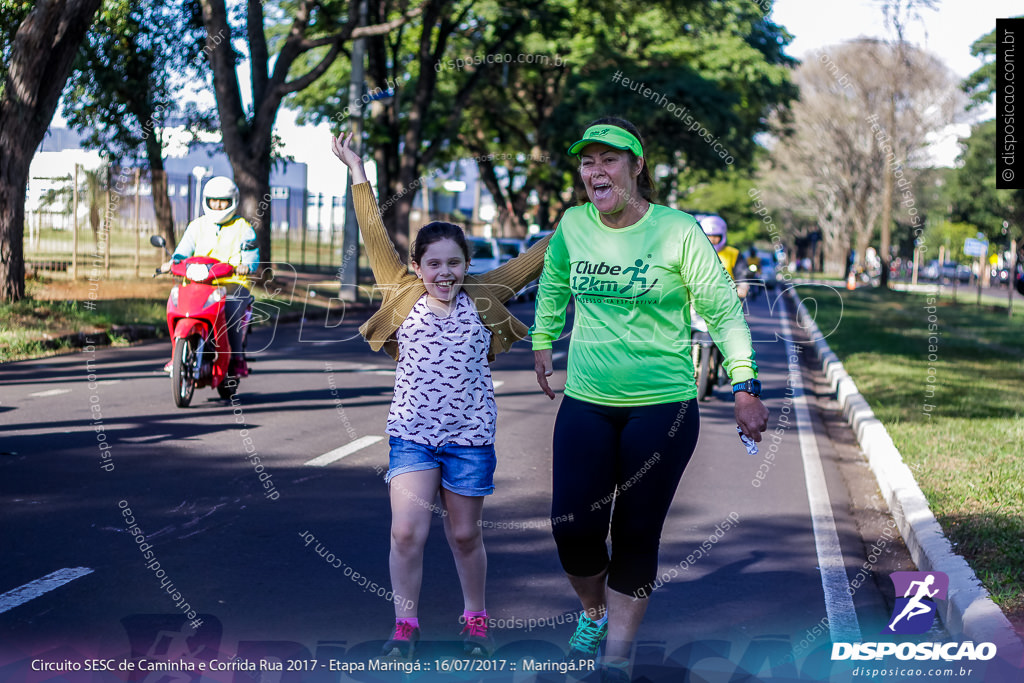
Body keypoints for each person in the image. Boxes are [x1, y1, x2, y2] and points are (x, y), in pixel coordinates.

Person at [531, 117, 769, 682]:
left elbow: (723, 311)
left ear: (637, 166)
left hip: (663, 406)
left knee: (636, 531)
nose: (596, 171)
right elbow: (554, 283)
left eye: (609, 159)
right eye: (588, 162)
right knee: (572, 525)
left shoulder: (677, 231)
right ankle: (593, 613)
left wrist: (745, 385)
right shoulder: (572, 224)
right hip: (588, 399)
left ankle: (617, 657)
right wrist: (542, 338)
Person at [331, 133, 550, 660]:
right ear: (418, 266)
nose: (445, 273)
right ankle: (406, 625)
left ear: (466, 265)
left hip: (470, 438)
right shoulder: (400, 291)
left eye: (454, 263)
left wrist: (579, 218)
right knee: (405, 534)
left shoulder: (486, 293)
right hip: (413, 436)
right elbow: (372, 233)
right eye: (434, 264)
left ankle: (475, 619)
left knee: (465, 536)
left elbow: (539, 255)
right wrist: (358, 170)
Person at [161, 175, 258, 377]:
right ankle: (176, 354)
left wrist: (246, 266)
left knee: (230, 310)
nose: (217, 205)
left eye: (223, 201)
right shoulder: (196, 226)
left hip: (232, 283)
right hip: (198, 283)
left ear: (233, 202)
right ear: (206, 200)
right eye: (213, 200)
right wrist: (173, 263)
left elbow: (251, 255)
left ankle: (237, 358)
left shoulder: (243, 228)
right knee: (177, 303)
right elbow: (182, 252)